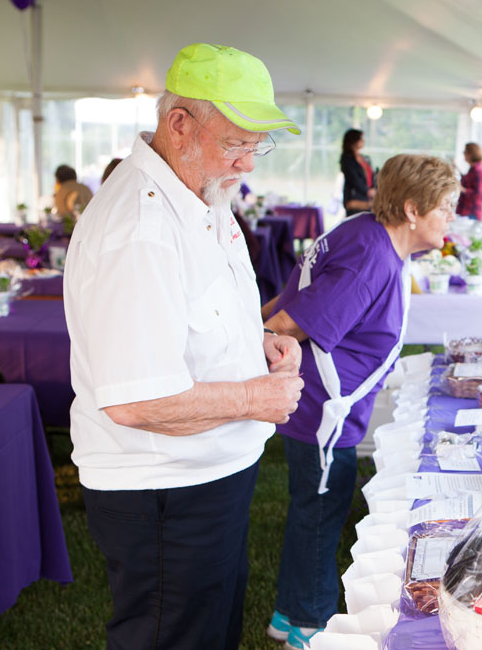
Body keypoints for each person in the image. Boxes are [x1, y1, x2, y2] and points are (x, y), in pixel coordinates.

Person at [63, 43, 305, 650]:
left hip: (206, 475)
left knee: (208, 630)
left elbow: (202, 314)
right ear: (178, 124)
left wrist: (264, 344)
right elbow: (138, 400)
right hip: (163, 489)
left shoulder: (199, 191)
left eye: (257, 145)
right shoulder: (141, 227)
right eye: (236, 143)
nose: (248, 163)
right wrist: (255, 395)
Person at [261, 154, 459, 649]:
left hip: (324, 406)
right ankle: (307, 624)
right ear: (413, 209)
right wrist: (254, 334)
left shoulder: (373, 238)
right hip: (321, 408)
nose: (452, 217)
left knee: (315, 508)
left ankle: (289, 613)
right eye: (447, 206)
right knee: (320, 513)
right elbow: (290, 321)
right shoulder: (372, 255)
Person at [340, 128, 375, 216]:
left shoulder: (365, 158)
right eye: (361, 139)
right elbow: (353, 179)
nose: (363, 141)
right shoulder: (347, 159)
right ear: (354, 141)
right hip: (355, 199)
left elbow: (371, 175)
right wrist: (367, 191)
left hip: (368, 198)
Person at [456, 142, 482, 221]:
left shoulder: (477, 171)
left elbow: (479, 193)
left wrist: (463, 189)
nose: (464, 154)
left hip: (471, 212)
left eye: (465, 152)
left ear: (470, 154)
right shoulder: (473, 169)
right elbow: (467, 181)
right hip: (467, 211)